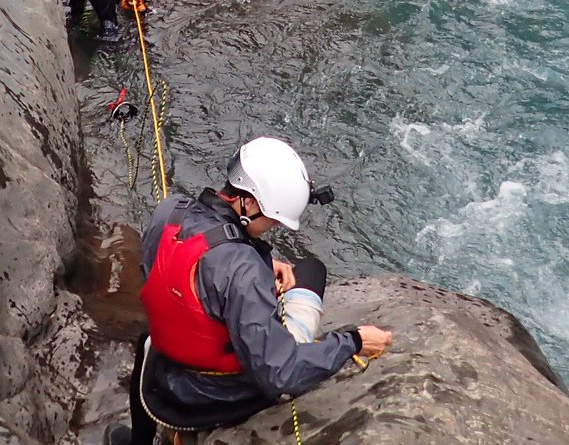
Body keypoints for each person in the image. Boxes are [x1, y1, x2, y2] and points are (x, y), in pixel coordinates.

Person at [104, 137, 395, 445]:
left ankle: (140, 441)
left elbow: (180, 268)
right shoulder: (244, 272)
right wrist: (353, 341)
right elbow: (280, 373)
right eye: (273, 218)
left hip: (162, 373)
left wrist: (262, 260)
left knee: (146, 340)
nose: (276, 226)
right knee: (312, 272)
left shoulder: (170, 211)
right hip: (215, 394)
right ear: (250, 203)